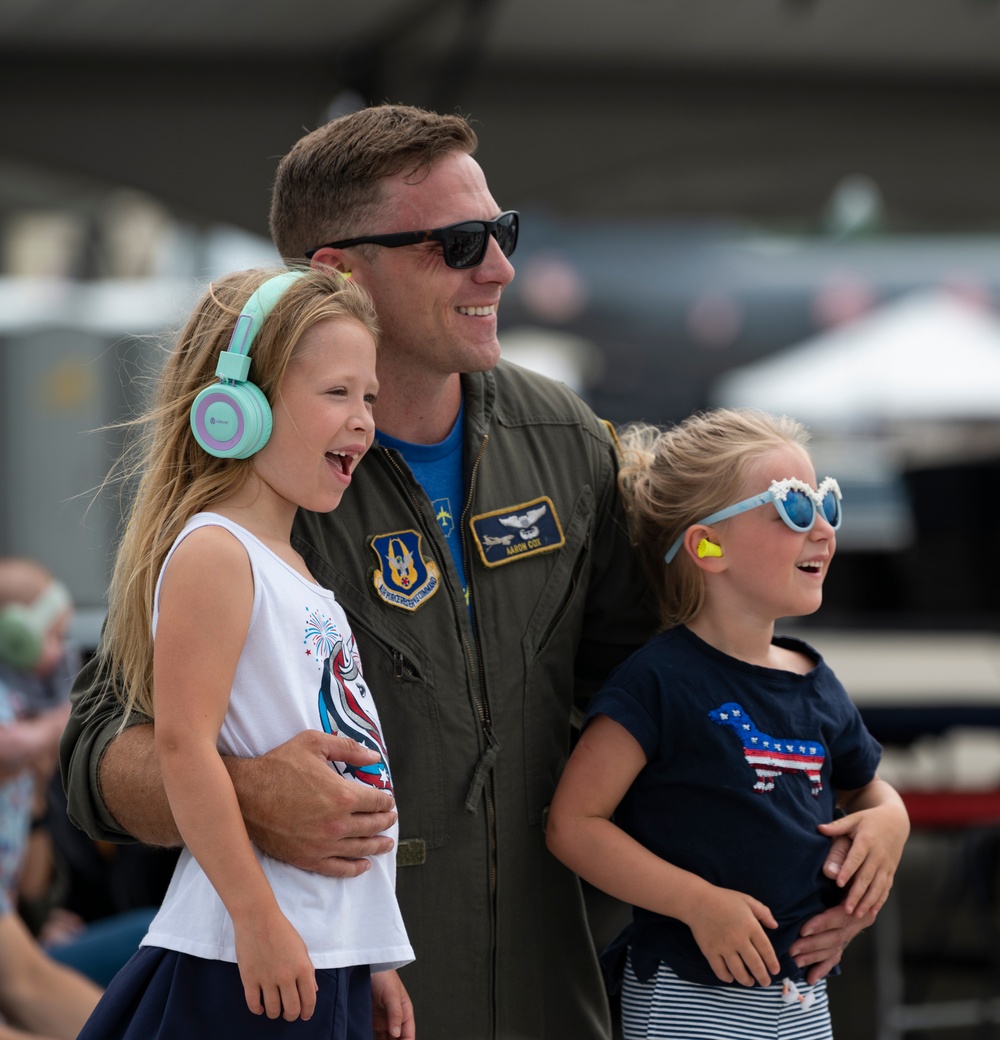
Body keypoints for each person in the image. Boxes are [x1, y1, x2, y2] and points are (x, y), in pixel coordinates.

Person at [61, 104, 865, 1039]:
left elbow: (688, 686)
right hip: (344, 996)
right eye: (457, 242)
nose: (500, 266)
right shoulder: (252, 499)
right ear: (338, 272)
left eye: (501, 231)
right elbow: (95, 751)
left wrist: (861, 811)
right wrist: (248, 790)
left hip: (558, 995)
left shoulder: (564, 441)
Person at [73, 267, 413, 1039]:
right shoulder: (216, 554)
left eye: (370, 398)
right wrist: (257, 919)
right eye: (337, 394)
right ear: (239, 406)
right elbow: (183, 747)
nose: (363, 420)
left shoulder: (291, 565)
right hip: (250, 954)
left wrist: (374, 953)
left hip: (324, 952)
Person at [545, 408, 911, 1040]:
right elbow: (573, 825)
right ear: (707, 546)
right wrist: (698, 904)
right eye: (794, 508)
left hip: (803, 998)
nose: (822, 527)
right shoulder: (658, 680)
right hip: (689, 997)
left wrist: (892, 820)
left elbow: (867, 787)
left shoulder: (813, 677)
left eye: (828, 502)